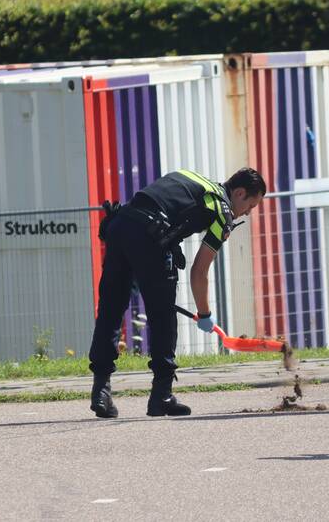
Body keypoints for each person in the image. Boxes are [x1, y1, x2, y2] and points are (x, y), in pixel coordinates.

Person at [88, 168, 266, 418]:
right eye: (250, 205)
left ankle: (101, 392)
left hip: (120, 225)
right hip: (149, 236)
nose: (247, 213)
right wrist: (205, 314)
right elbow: (199, 271)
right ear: (239, 193)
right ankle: (161, 395)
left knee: (111, 309)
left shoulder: (194, 178)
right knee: (162, 318)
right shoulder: (222, 211)